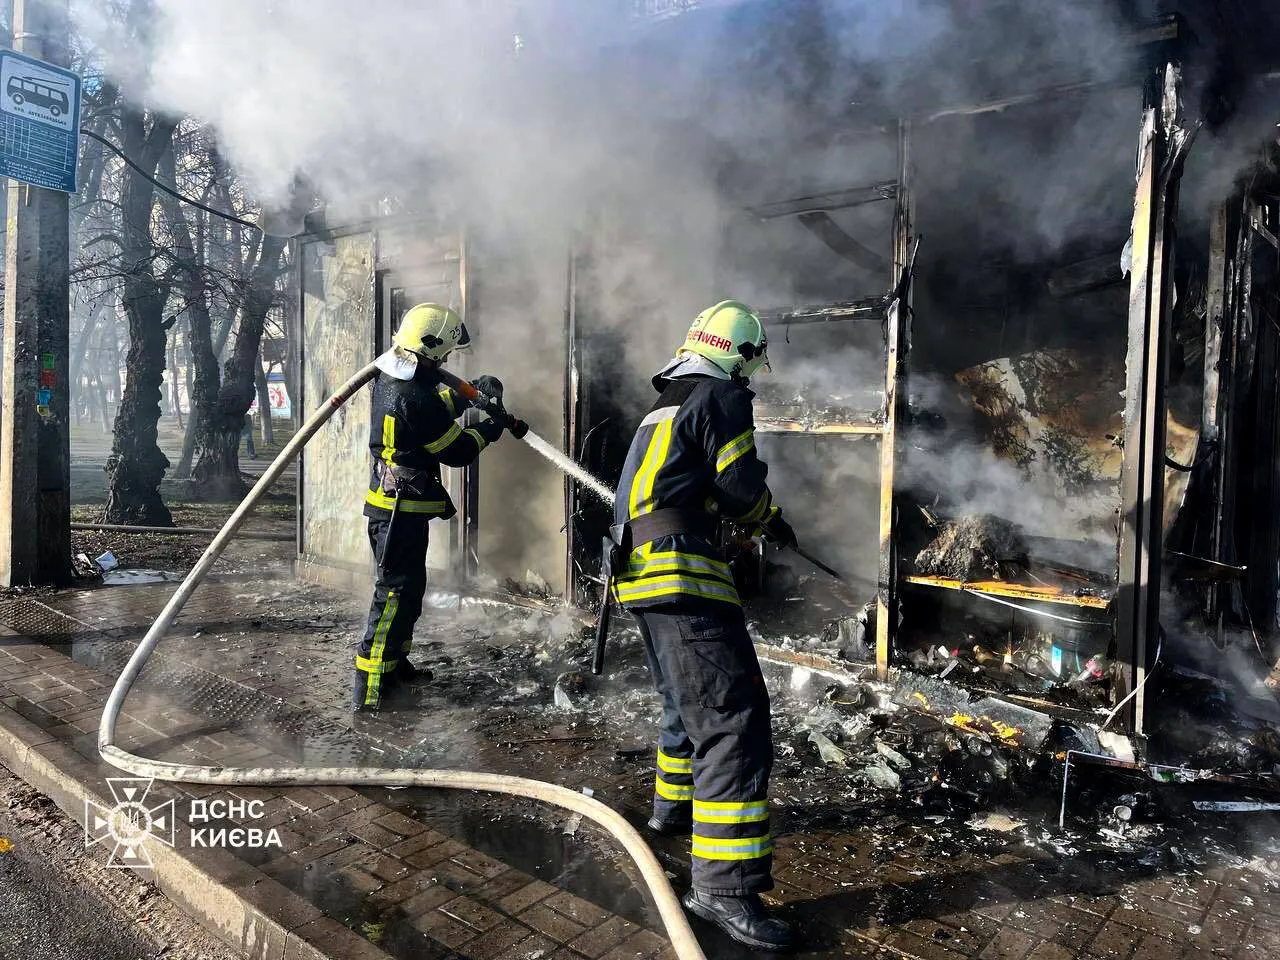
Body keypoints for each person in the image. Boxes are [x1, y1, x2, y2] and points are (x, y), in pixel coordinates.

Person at [610, 300, 798, 951]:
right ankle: (722, 891)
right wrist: (768, 515)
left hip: (640, 575)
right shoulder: (722, 394)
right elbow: (741, 486)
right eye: (752, 365)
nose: (751, 377)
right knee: (733, 721)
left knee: (683, 705)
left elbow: (682, 483)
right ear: (739, 355)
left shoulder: (666, 401)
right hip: (681, 574)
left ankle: (671, 811)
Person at [355, 302, 508, 712]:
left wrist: (476, 388)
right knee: (394, 595)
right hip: (397, 512)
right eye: (445, 353)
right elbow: (456, 450)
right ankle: (371, 691)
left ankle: (395, 665)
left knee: (409, 591)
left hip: (402, 508)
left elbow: (435, 404)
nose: (446, 361)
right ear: (431, 347)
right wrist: (488, 429)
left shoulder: (402, 375)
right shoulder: (409, 392)